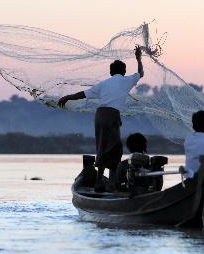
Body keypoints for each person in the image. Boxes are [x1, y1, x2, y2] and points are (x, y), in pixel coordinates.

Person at [58, 47, 144, 192]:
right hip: (111, 115)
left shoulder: (104, 83)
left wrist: (68, 97)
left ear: (111, 72)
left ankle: (102, 182)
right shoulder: (126, 80)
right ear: (123, 72)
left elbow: (83, 94)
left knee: (103, 146)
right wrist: (138, 58)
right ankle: (108, 183)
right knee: (115, 149)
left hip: (100, 115)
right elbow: (141, 73)